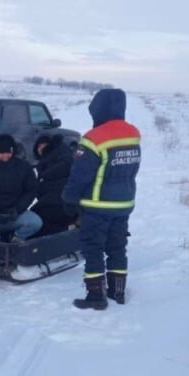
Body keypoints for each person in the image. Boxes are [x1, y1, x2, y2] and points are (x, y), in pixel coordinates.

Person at [62, 88, 141, 310]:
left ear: (98, 109)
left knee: (93, 248)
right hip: (124, 203)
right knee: (117, 247)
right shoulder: (132, 134)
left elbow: (80, 176)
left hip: (97, 206)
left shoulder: (93, 138)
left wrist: (69, 198)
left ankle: (95, 296)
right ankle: (118, 292)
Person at [30, 134, 77, 234]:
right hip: (56, 200)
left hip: (60, 200)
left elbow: (67, 164)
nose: (41, 148)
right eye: (38, 146)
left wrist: (44, 175)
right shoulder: (44, 162)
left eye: (43, 144)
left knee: (38, 219)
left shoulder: (59, 152)